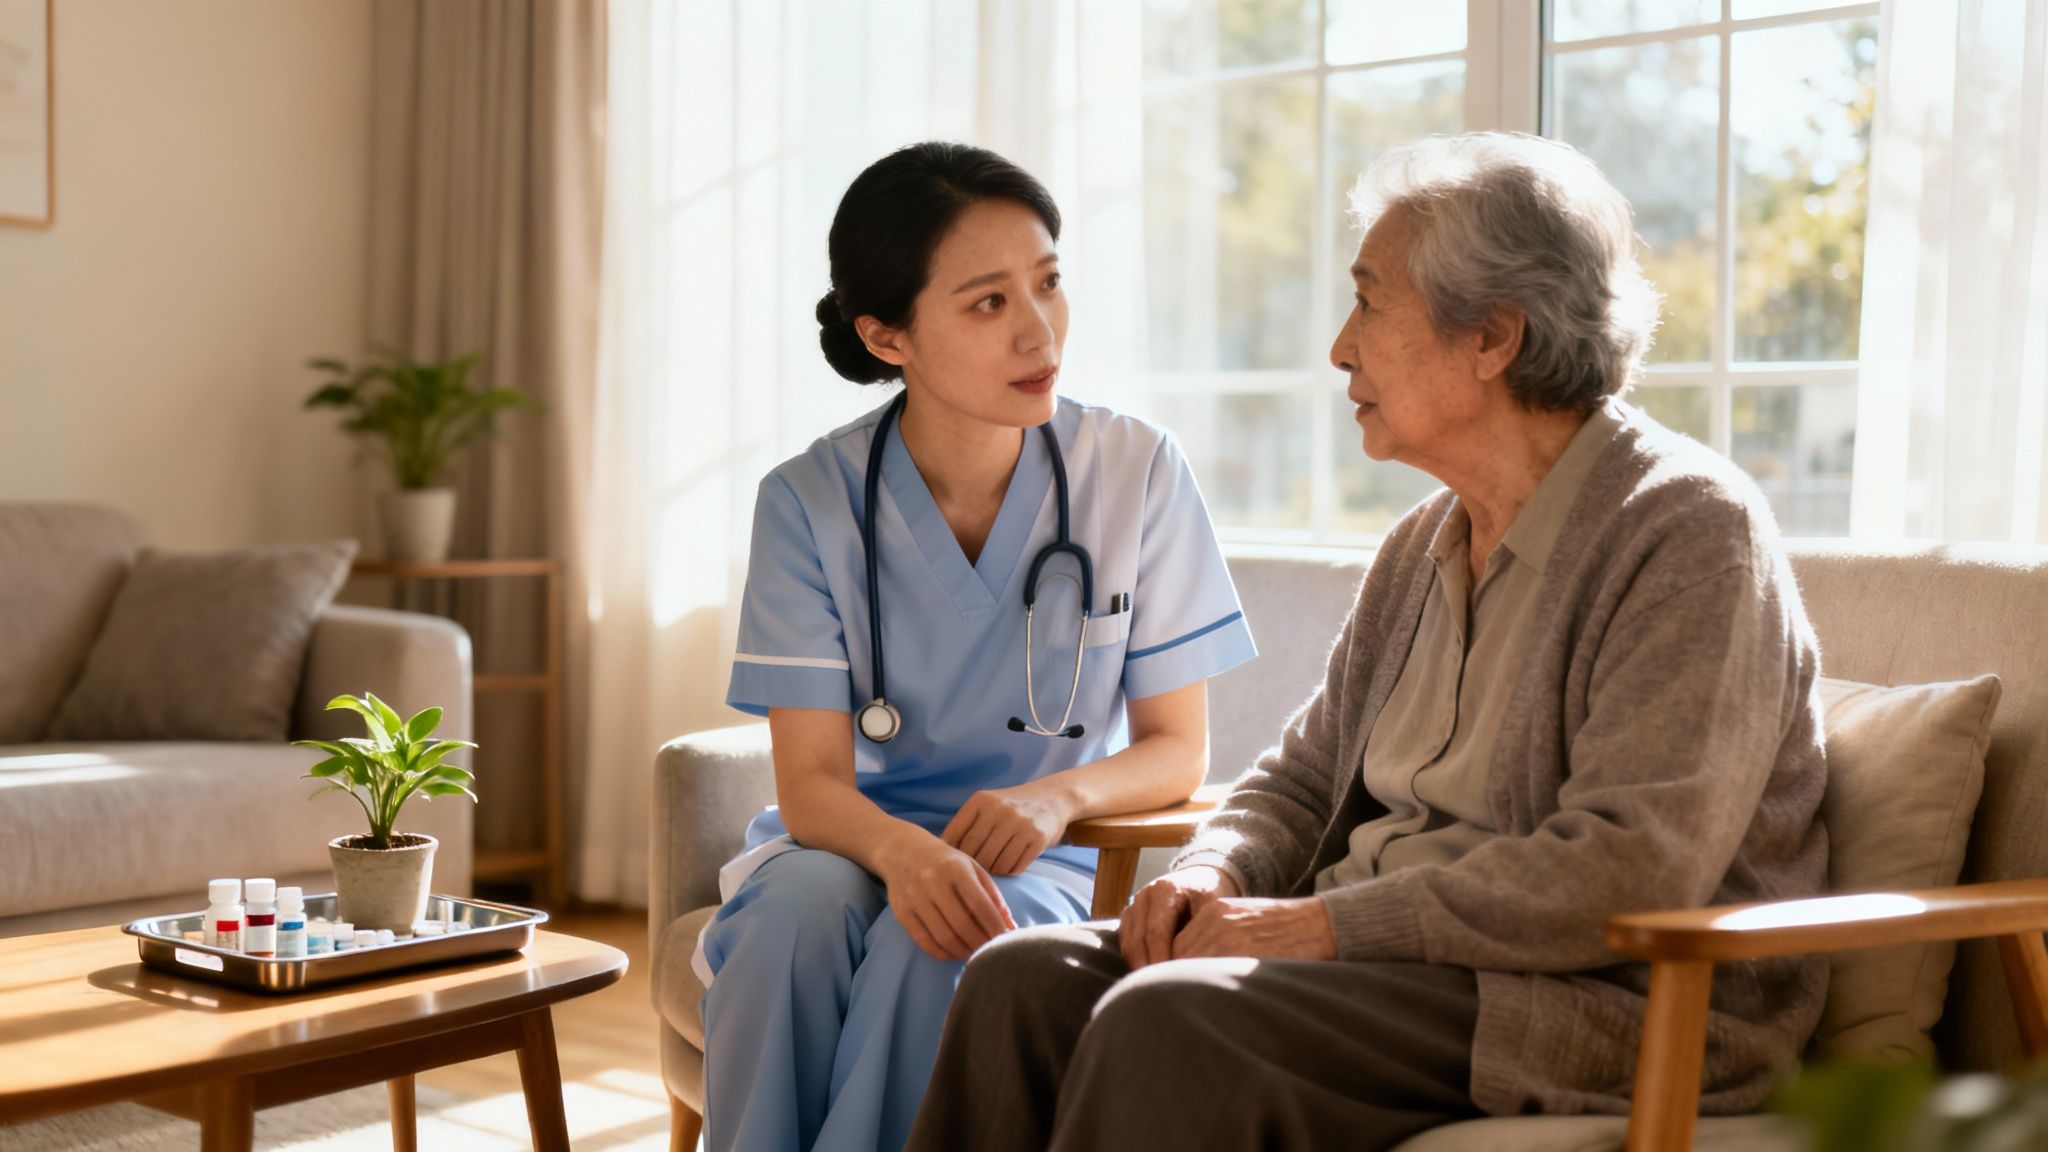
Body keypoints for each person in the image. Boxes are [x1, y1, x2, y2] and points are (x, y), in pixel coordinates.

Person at [906, 131, 1829, 1152]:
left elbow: (1628, 866)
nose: (1340, 346)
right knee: (1018, 980)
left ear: (1492, 338)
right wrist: (1211, 874)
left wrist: (1321, 927)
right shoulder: (1422, 543)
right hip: (1388, 966)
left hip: (1583, 998)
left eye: (1369, 301)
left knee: (1167, 1020)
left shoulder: (1686, 531)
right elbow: (1298, 783)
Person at [696, 141, 1258, 1152]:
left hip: (1049, 853)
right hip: (847, 839)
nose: (1039, 329)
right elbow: (813, 781)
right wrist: (903, 850)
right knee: (789, 919)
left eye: (1047, 282)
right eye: (988, 302)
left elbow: (1180, 748)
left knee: (945, 941)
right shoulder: (807, 502)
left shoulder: (1134, 471)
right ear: (887, 335)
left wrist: (1057, 796)